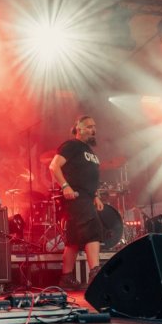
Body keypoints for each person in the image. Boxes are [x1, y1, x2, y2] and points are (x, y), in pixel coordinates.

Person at [49, 115, 104, 290]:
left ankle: (66, 278)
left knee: (73, 239)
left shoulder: (89, 151)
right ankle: (95, 274)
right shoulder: (72, 145)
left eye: (94, 126)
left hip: (86, 197)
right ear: (79, 129)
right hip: (76, 197)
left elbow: (89, 176)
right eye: (89, 126)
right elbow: (54, 166)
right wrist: (65, 186)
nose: (93, 129)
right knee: (93, 230)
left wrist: (95, 196)